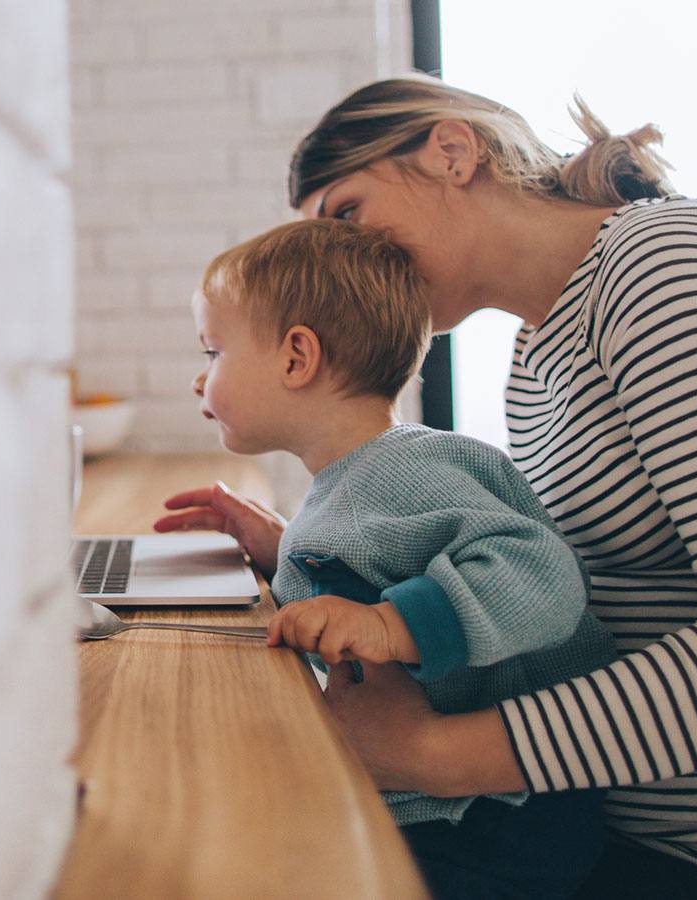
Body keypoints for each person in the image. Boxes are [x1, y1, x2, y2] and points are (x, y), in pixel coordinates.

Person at [156, 73, 697, 899]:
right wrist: (317, 548)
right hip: (661, 830)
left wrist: (433, 757)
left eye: (348, 214)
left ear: (452, 153)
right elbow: (548, 580)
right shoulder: (542, 353)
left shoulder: (673, 273)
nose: (339, 255)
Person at [189, 217, 617, 898]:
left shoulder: (409, 468)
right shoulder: (359, 477)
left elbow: (541, 575)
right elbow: (377, 561)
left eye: (213, 353)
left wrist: (393, 627)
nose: (198, 382)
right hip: (454, 812)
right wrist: (281, 552)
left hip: (494, 824)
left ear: (297, 358)